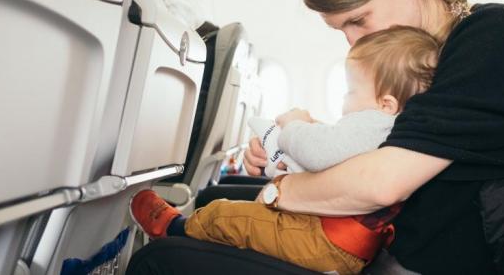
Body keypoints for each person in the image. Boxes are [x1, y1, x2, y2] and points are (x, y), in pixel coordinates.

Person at [241, 0, 504, 274]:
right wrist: (285, 151)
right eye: (340, 29)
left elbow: (383, 182)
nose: (352, 42)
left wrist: (280, 190)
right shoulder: (408, 60)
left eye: (358, 19)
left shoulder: (495, 35)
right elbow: (391, 143)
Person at [130, 26, 441, 275]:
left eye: (350, 91)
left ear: (385, 103)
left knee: (228, 214)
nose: (345, 101)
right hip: (337, 243)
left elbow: (319, 152)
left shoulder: (375, 122)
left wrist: (294, 125)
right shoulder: (392, 126)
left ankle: (176, 228)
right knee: (247, 219)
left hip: (324, 241)